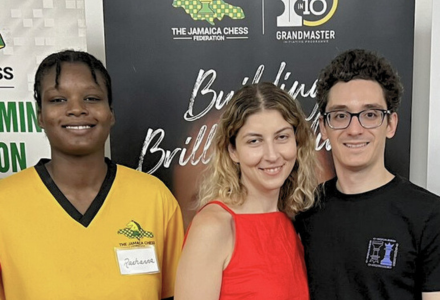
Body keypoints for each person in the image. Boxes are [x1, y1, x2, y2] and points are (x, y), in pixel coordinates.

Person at [0, 50, 184, 300]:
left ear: (111, 113)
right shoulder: (5, 203)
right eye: (57, 100)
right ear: (40, 116)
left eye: (91, 98)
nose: (76, 109)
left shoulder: (154, 198)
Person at [295, 49, 440, 300]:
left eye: (370, 115)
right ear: (324, 128)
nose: (354, 129)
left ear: (391, 124)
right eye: (340, 115)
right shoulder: (305, 210)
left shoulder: (428, 215)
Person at [174, 82, 318, 300]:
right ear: (233, 150)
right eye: (254, 141)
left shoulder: (292, 222)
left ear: (297, 142)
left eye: (282, 137)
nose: (272, 155)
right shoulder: (214, 227)